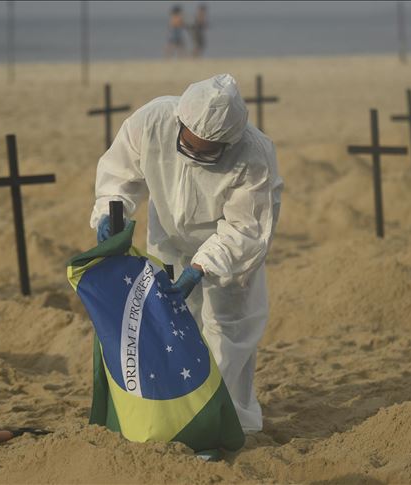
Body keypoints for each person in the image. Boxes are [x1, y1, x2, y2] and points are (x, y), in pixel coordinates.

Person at [90, 74, 283, 433]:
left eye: (207, 151)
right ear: (180, 121)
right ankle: (175, 413)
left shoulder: (254, 155)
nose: (195, 155)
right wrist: (110, 210)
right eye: (189, 145)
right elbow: (120, 173)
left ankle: (224, 421)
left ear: (229, 142)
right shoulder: (152, 120)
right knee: (172, 325)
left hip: (228, 253)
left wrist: (203, 266)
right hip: (168, 239)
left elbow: (247, 228)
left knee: (228, 332)